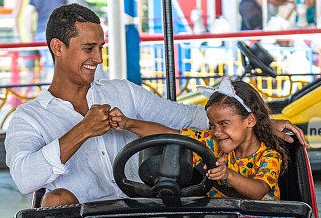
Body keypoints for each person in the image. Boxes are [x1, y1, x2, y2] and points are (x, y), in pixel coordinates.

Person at [4, 4, 305, 207]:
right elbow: (24, 178)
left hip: (142, 212)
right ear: (58, 48)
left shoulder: (123, 92)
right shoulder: (29, 118)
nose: (98, 59)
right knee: (55, 200)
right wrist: (82, 131)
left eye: (101, 49)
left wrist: (262, 123)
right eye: (89, 49)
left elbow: (187, 117)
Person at [109, 77, 285, 201]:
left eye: (224, 123)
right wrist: (127, 123)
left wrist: (228, 174)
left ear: (250, 120)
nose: (217, 132)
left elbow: (258, 191)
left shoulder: (269, 156)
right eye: (212, 125)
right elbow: (168, 134)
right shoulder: (209, 142)